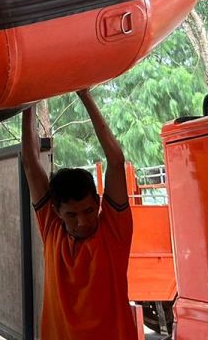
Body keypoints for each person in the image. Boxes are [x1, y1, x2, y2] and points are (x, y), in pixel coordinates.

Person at [21, 90, 134, 340]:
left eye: (89, 210)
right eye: (71, 214)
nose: (82, 221)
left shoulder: (113, 232)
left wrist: (85, 95)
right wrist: (28, 100)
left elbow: (116, 161)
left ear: (98, 202)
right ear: (56, 212)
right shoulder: (51, 229)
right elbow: (30, 162)